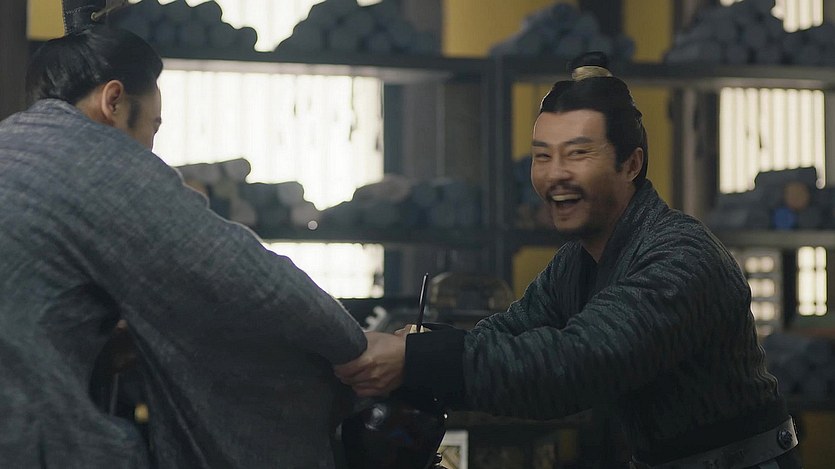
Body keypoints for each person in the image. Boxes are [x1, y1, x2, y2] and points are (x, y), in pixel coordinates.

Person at [335, 52, 803, 469]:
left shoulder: (681, 256)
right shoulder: (575, 262)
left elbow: (575, 364)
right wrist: (418, 342)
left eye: (578, 154)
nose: (555, 174)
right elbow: (511, 332)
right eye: (543, 157)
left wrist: (418, 360)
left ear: (631, 164)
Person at [0, 20, 367, 469]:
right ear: (113, 101)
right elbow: (250, 280)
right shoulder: (98, 161)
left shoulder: (13, 144)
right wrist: (356, 348)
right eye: (152, 128)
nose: (149, 150)